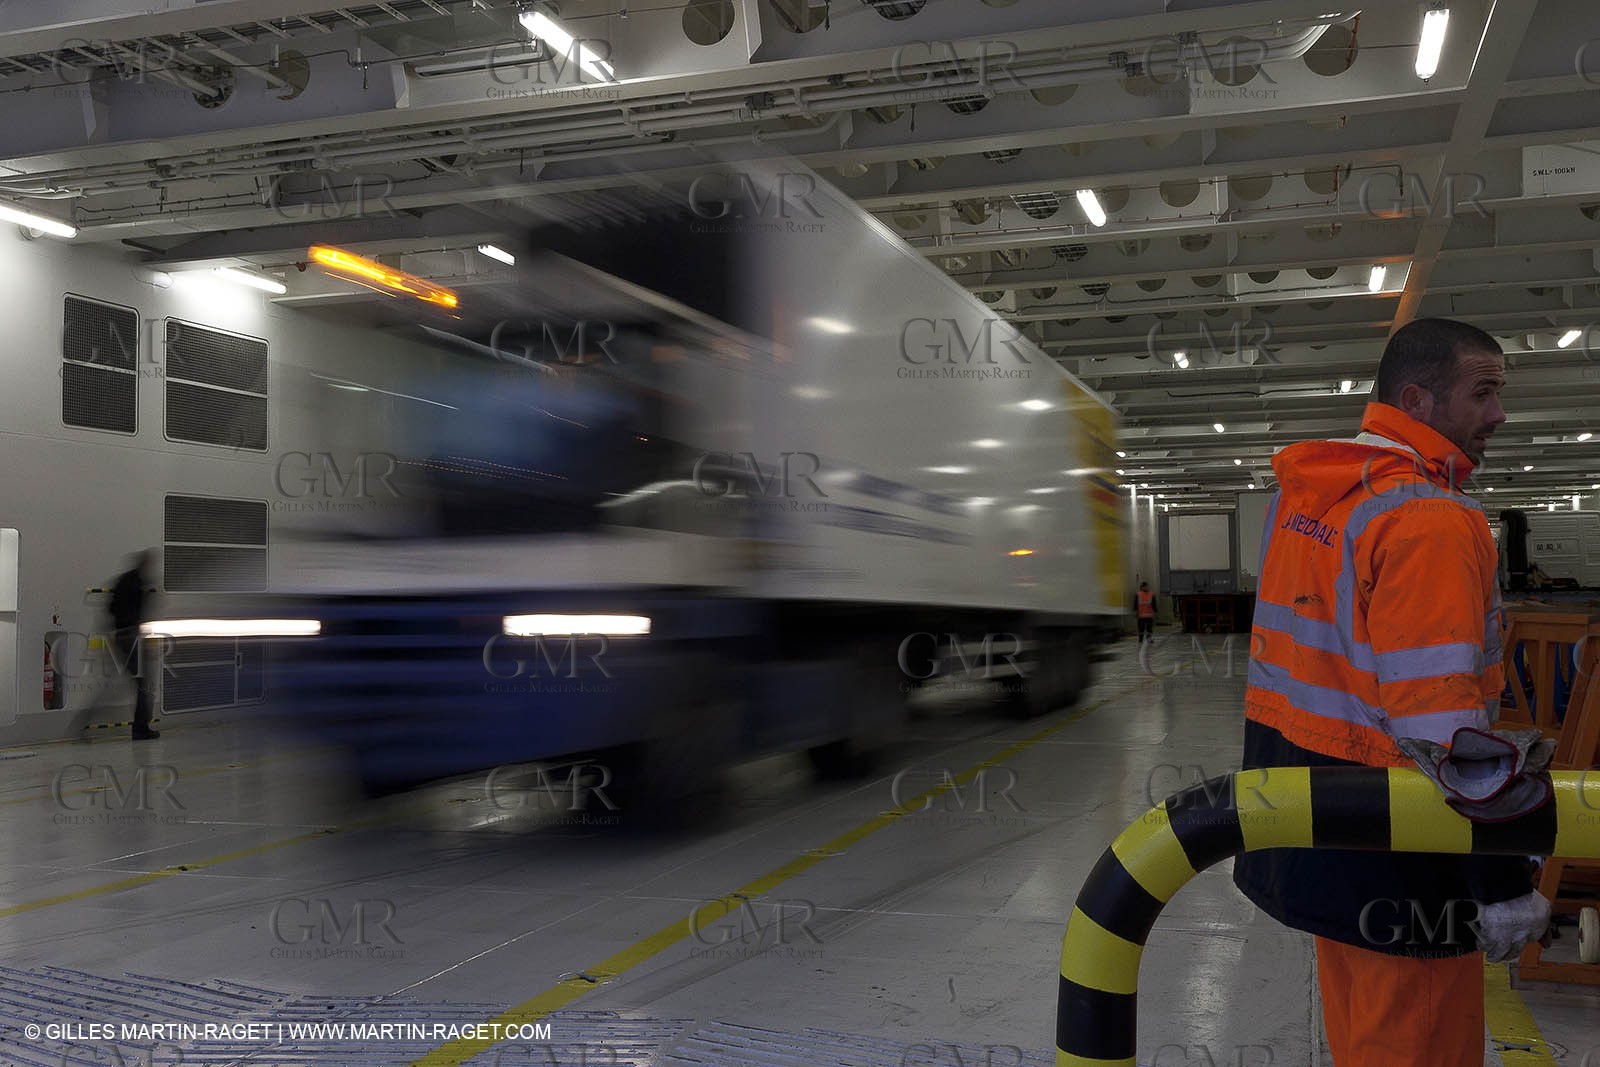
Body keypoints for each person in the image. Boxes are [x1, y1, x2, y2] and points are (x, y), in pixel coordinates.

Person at [1232, 318, 1550, 1066]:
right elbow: (1445, 731)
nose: (1500, 413)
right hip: (1407, 848)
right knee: (1419, 1044)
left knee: (1364, 1040)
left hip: (1316, 823)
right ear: (1417, 399)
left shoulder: (1309, 501)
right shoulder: (1429, 519)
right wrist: (1500, 876)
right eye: (1483, 392)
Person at [107, 549, 159, 740]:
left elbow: (111, 608)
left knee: (140, 684)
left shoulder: (123, 580)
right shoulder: (138, 584)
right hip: (131, 637)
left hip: (120, 636)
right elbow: (140, 614)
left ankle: (141, 727)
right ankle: (140, 728)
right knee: (144, 685)